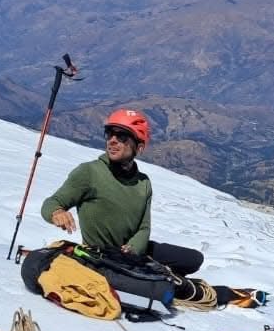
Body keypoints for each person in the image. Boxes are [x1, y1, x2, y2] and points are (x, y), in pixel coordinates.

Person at [41, 108, 204, 279]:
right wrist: (57, 213)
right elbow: (52, 202)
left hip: (133, 251)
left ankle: (161, 276)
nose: (112, 140)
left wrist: (133, 249)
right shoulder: (89, 172)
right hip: (102, 255)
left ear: (139, 146)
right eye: (109, 134)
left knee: (194, 259)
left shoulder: (143, 183)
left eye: (122, 136)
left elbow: (144, 227)